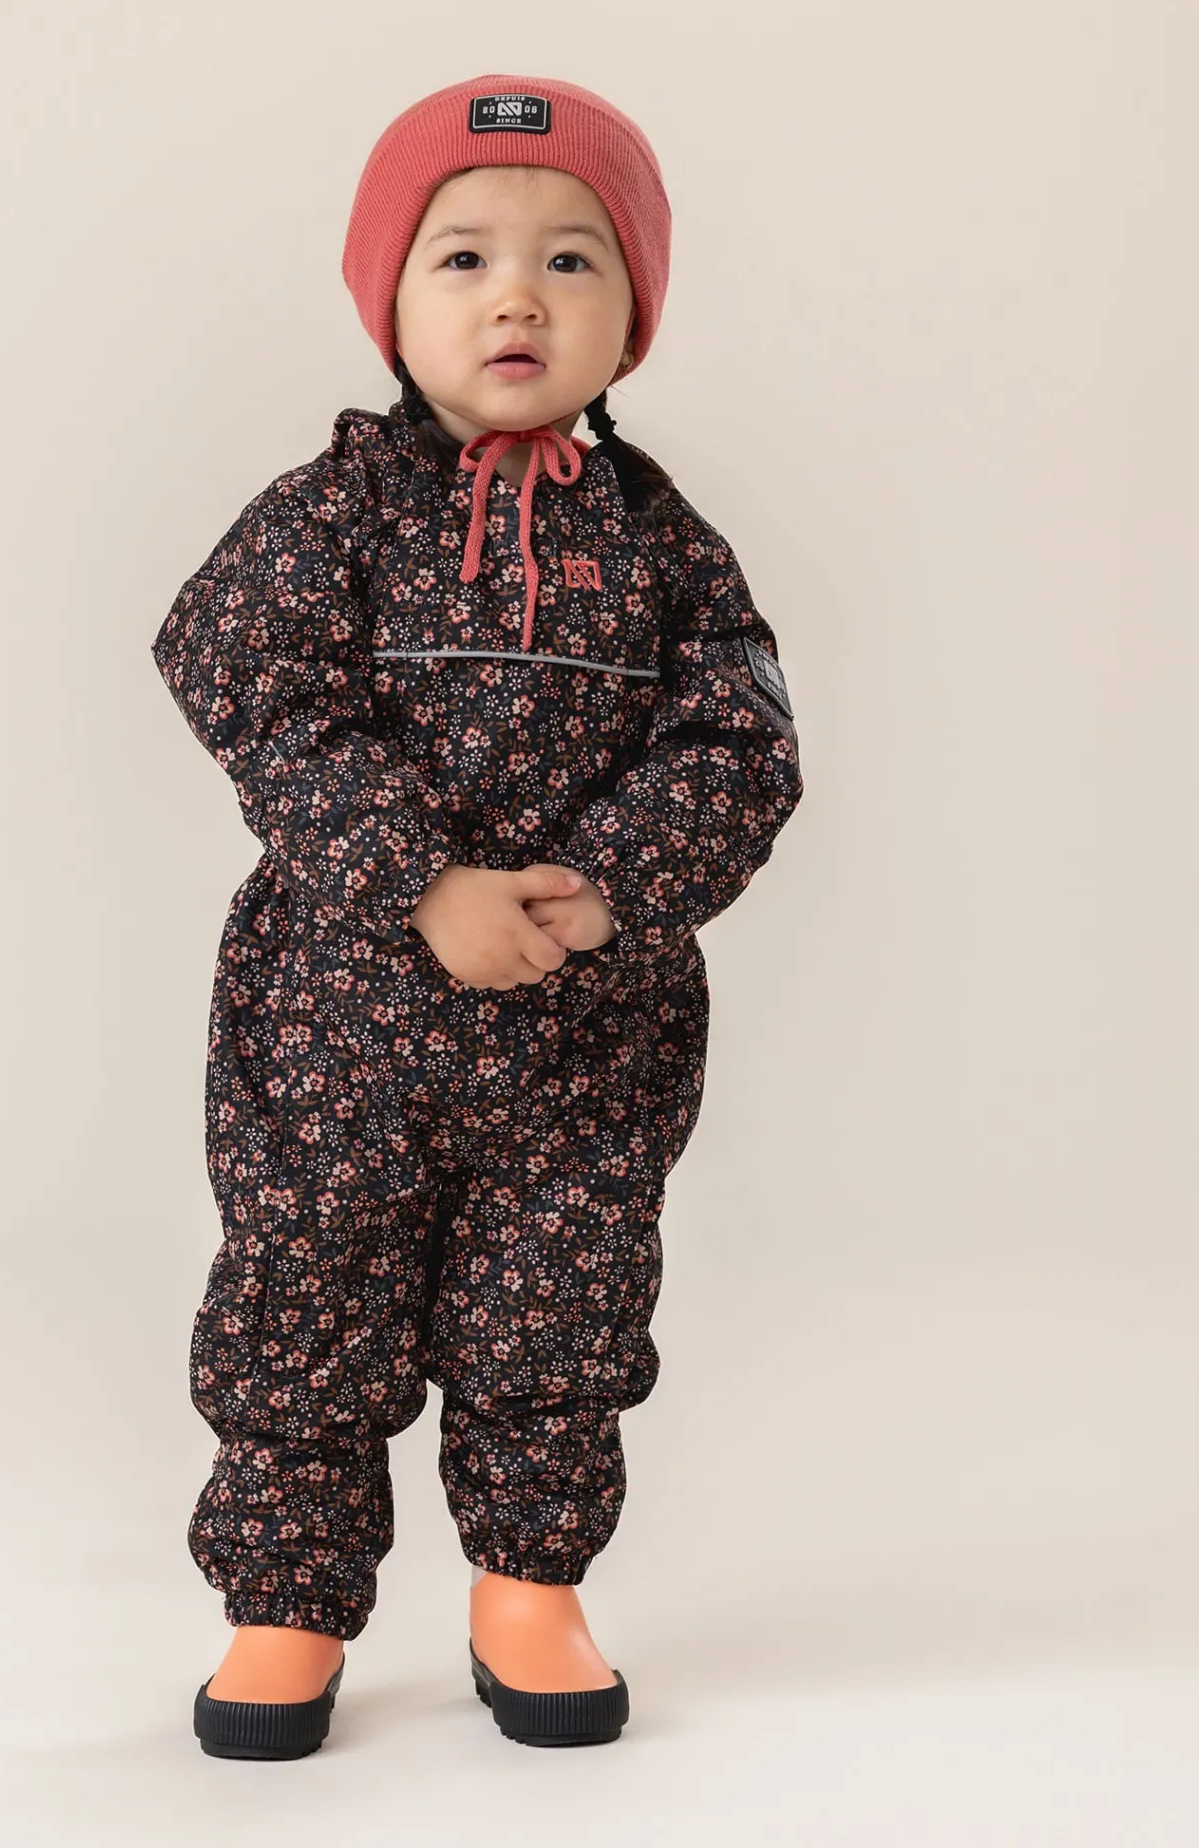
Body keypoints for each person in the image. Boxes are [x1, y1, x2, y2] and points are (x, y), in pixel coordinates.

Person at [151, 72, 804, 1757]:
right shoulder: (331, 514)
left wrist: (607, 891)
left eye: (572, 259)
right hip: (340, 1025)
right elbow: (245, 678)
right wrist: (417, 882)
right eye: (464, 258)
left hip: (583, 1036)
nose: (518, 296)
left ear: (634, 313)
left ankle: (530, 1588)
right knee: (306, 1294)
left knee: (558, 1310)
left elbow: (742, 744)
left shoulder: (664, 543)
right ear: (389, 297)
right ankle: (287, 1604)